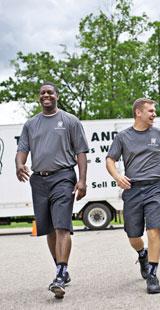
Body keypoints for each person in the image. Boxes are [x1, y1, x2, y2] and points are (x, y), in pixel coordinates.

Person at [16, 82, 88, 298]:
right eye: (42, 93)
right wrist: (19, 165)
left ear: (57, 95)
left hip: (63, 177)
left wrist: (82, 180)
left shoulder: (70, 121)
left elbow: (81, 152)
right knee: (48, 228)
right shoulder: (30, 124)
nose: (46, 95)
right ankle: (61, 269)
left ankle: (60, 273)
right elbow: (22, 150)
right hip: (39, 181)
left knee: (62, 226)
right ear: (39, 97)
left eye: (50, 92)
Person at [106, 98, 160, 294]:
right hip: (132, 190)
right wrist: (117, 176)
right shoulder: (123, 137)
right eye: (150, 111)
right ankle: (142, 254)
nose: (154, 114)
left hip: (155, 188)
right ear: (138, 113)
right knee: (133, 236)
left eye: (154, 111)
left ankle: (152, 274)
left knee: (153, 230)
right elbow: (110, 160)